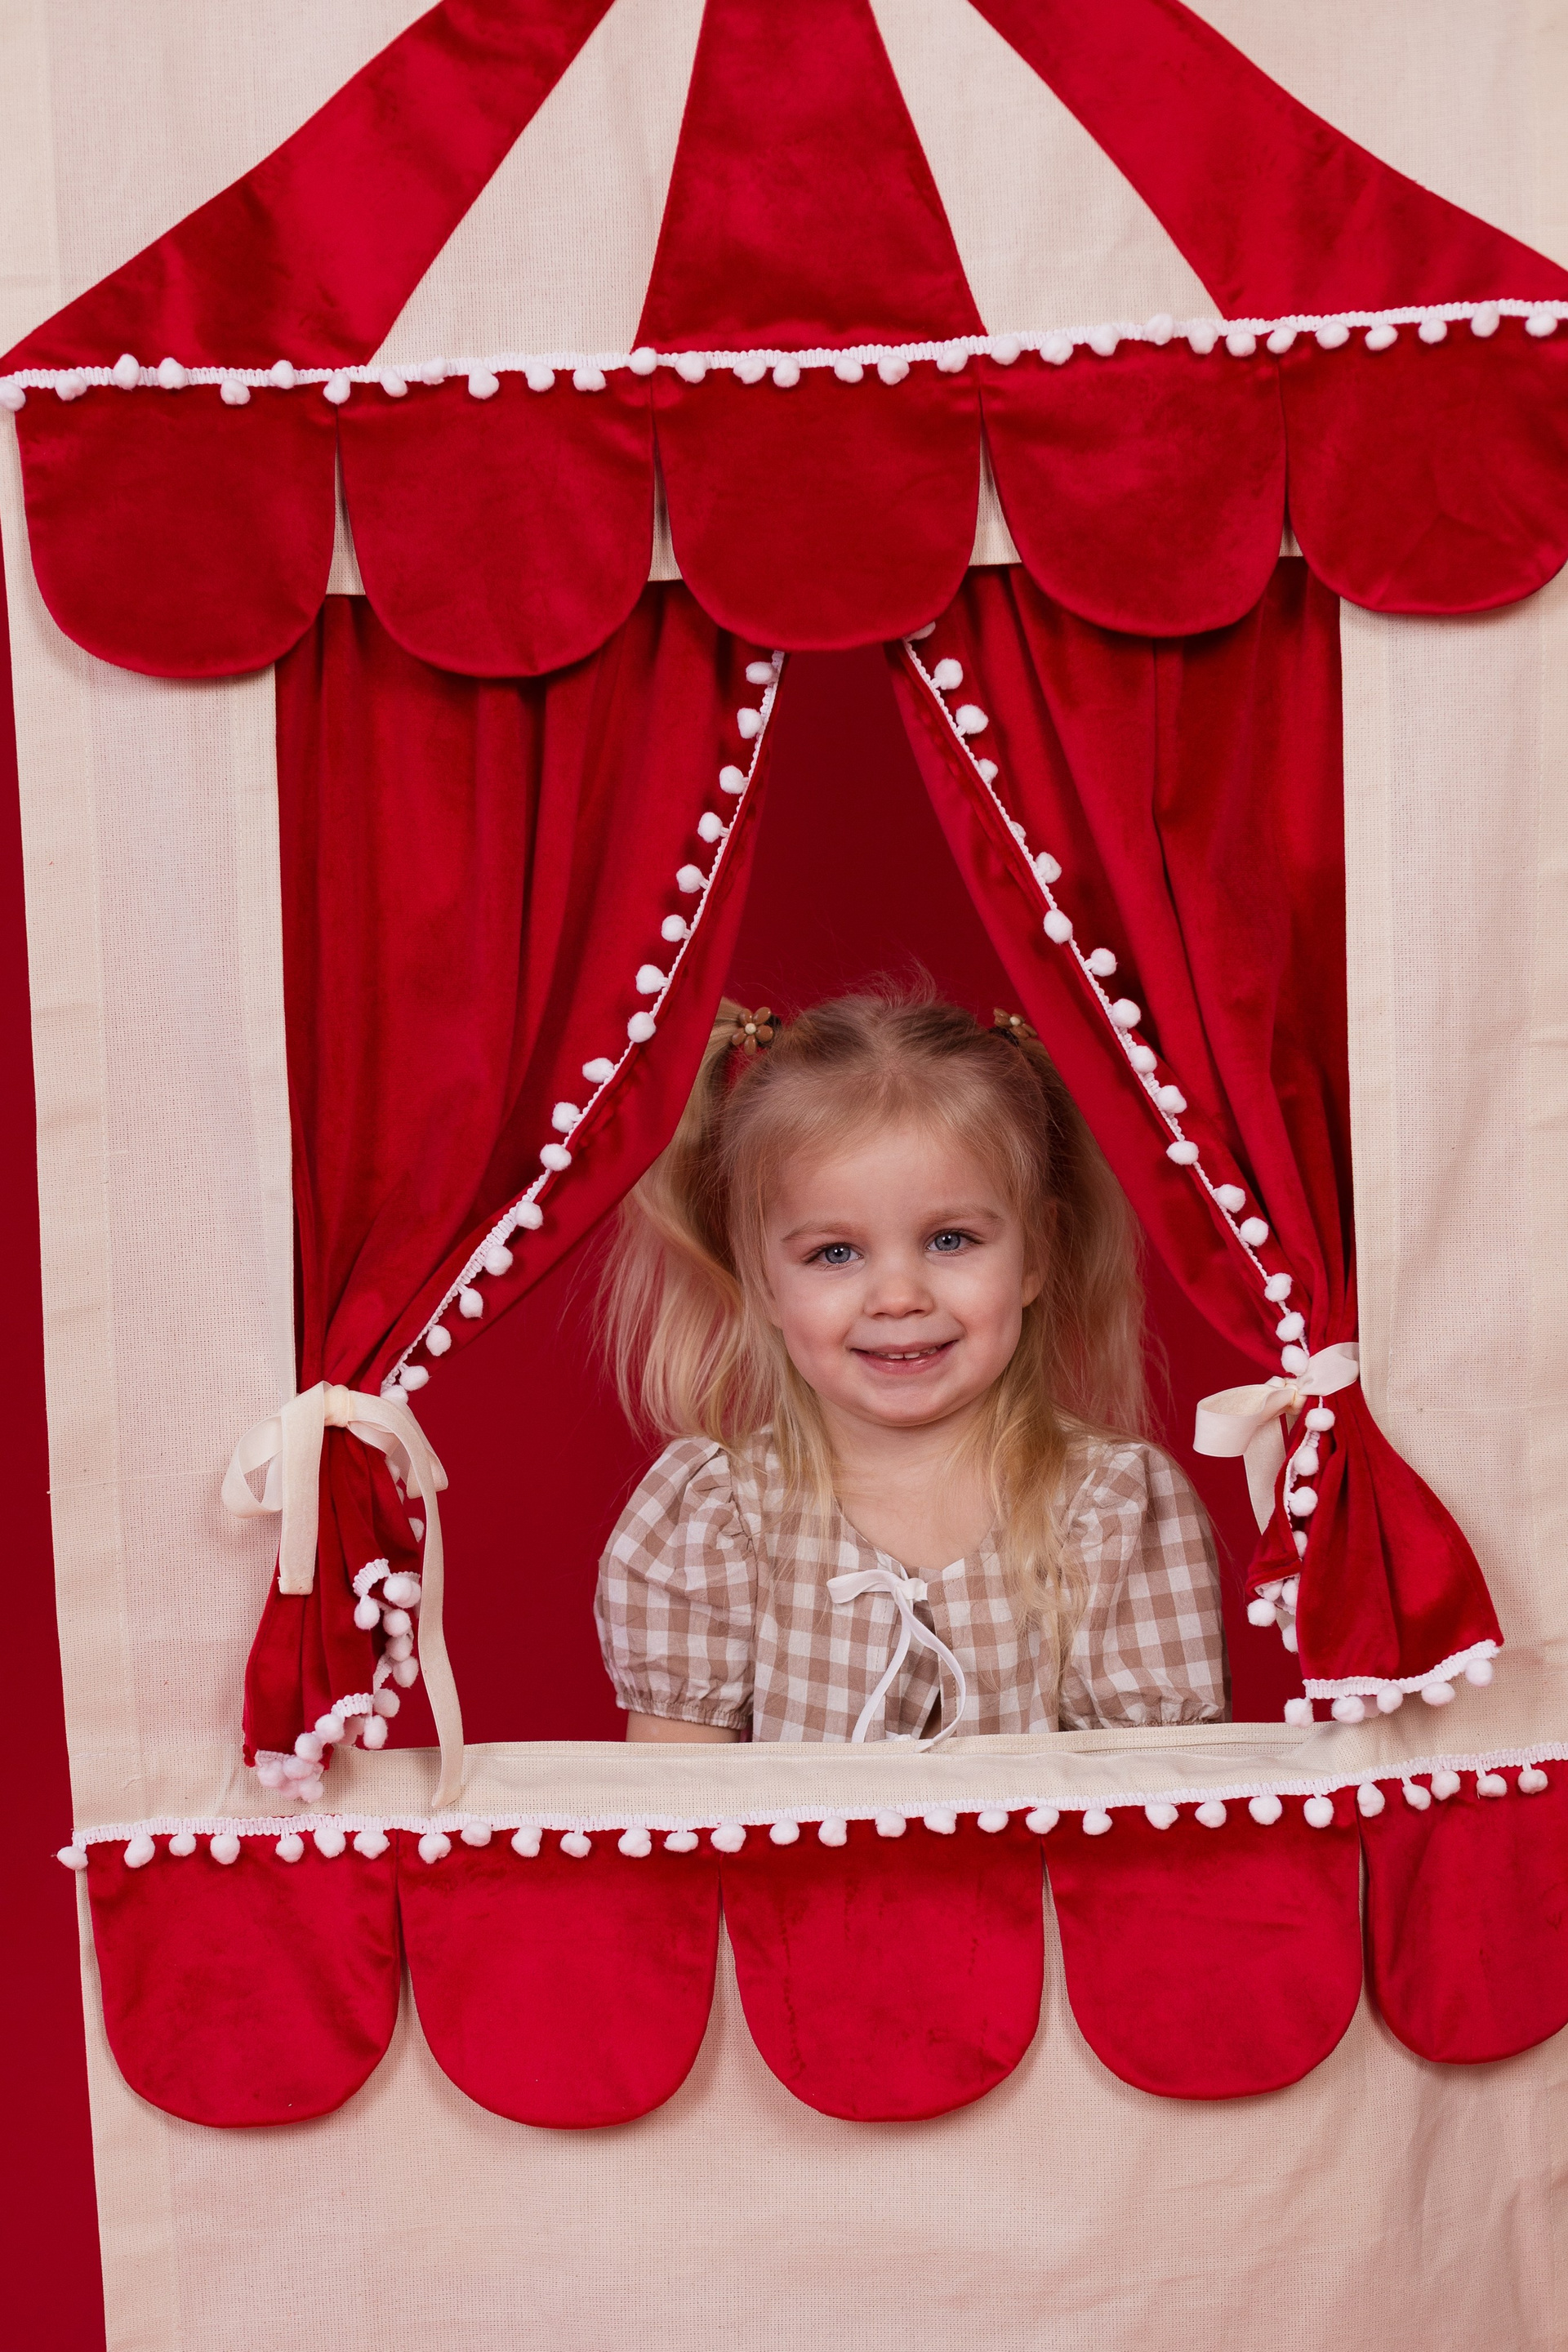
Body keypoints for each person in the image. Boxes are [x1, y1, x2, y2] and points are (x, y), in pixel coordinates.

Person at [595, 987, 1226, 1744]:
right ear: (761, 1279)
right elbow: (678, 1806)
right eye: (835, 1252)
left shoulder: (1111, 1510)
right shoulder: (716, 1518)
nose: (898, 1298)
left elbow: (1146, 1806)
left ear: (1037, 1252)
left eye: (950, 1240)